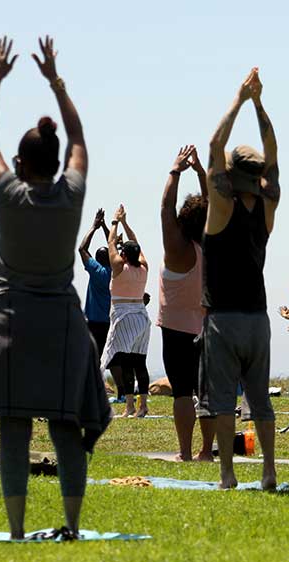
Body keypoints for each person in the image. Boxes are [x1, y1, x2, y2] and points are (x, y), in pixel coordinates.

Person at [0, 36, 110, 539]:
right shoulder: (71, 194)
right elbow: (80, 138)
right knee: (67, 427)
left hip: (10, 325)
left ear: (20, 165)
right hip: (63, 326)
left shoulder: (9, 194)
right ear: (53, 161)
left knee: (15, 428)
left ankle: (18, 531)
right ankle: (71, 525)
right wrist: (56, 82)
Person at [201, 67, 280, 490]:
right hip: (258, 316)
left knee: (223, 401)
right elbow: (274, 149)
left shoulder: (220, 202)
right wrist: (260, 103)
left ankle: (228, 474)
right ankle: (268, 471)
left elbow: (214, 143)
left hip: (224, 318)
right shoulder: (268, 204)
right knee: (260, 398)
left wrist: (239, 98)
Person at [158, 144, 215, 461]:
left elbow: (165, 209)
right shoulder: (211, 246)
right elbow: (211, 209)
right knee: (206, 393)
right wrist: (201, 174)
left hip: (176, 330)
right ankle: (207, 451)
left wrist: (175, 171)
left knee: (181, 391)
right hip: (207, 326)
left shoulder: (178, 251)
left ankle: (184, 452)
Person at [101, 204, 152, 418]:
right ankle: (140, 406)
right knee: (139, 362)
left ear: (124, 255)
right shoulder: (143, 267)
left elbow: (111, 242)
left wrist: (114, 221)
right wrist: (125, 223)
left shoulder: (119, 268)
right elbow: (137, 245)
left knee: (111, 359)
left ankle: (128, 405)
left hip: (123, 317)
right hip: (142, 316)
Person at [77, 208, 112, 356]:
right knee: (102, 357)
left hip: (91, 321)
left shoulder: (95, 270)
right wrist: (104, 226)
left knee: (89, 355)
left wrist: (94, 226)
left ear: (96, 259)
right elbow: (114, 246)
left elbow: (82, 249)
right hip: (107, 322)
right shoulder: (115, 271)